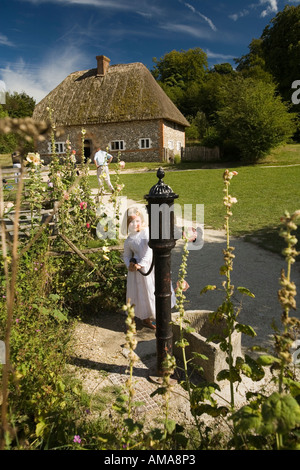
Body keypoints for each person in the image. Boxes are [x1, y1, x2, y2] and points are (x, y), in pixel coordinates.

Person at [123, 207, 156, 329]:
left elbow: (149, 250)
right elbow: (126, 255)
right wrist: (129, 265)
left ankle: (147, 318)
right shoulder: (129, 240)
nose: (135, 224)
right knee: (137, 293)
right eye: (131, 222)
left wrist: (141, 264)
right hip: (135, 271)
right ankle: (132, 320)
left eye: (137, 221)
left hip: (148, 267)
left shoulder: (146, 233)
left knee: (149, 292)